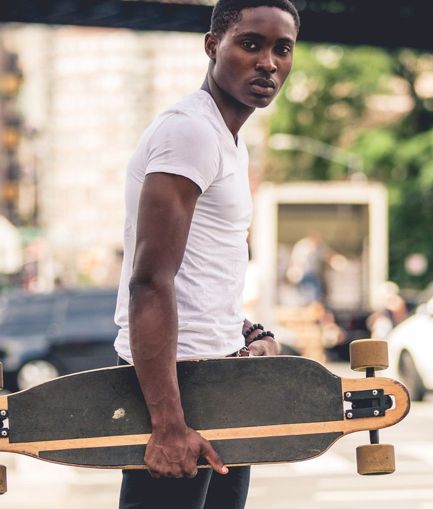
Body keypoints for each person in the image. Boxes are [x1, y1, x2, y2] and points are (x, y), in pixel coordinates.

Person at [111, 2, 299, 507]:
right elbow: (149, 281)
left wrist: (244, 332)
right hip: (178, 387)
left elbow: (201, 270)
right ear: (213, 46)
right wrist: (168, 424)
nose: (268, 62)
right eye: (251, 43)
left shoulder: (227, 139)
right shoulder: (188, 131)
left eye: (283, 48)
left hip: (217, 377)